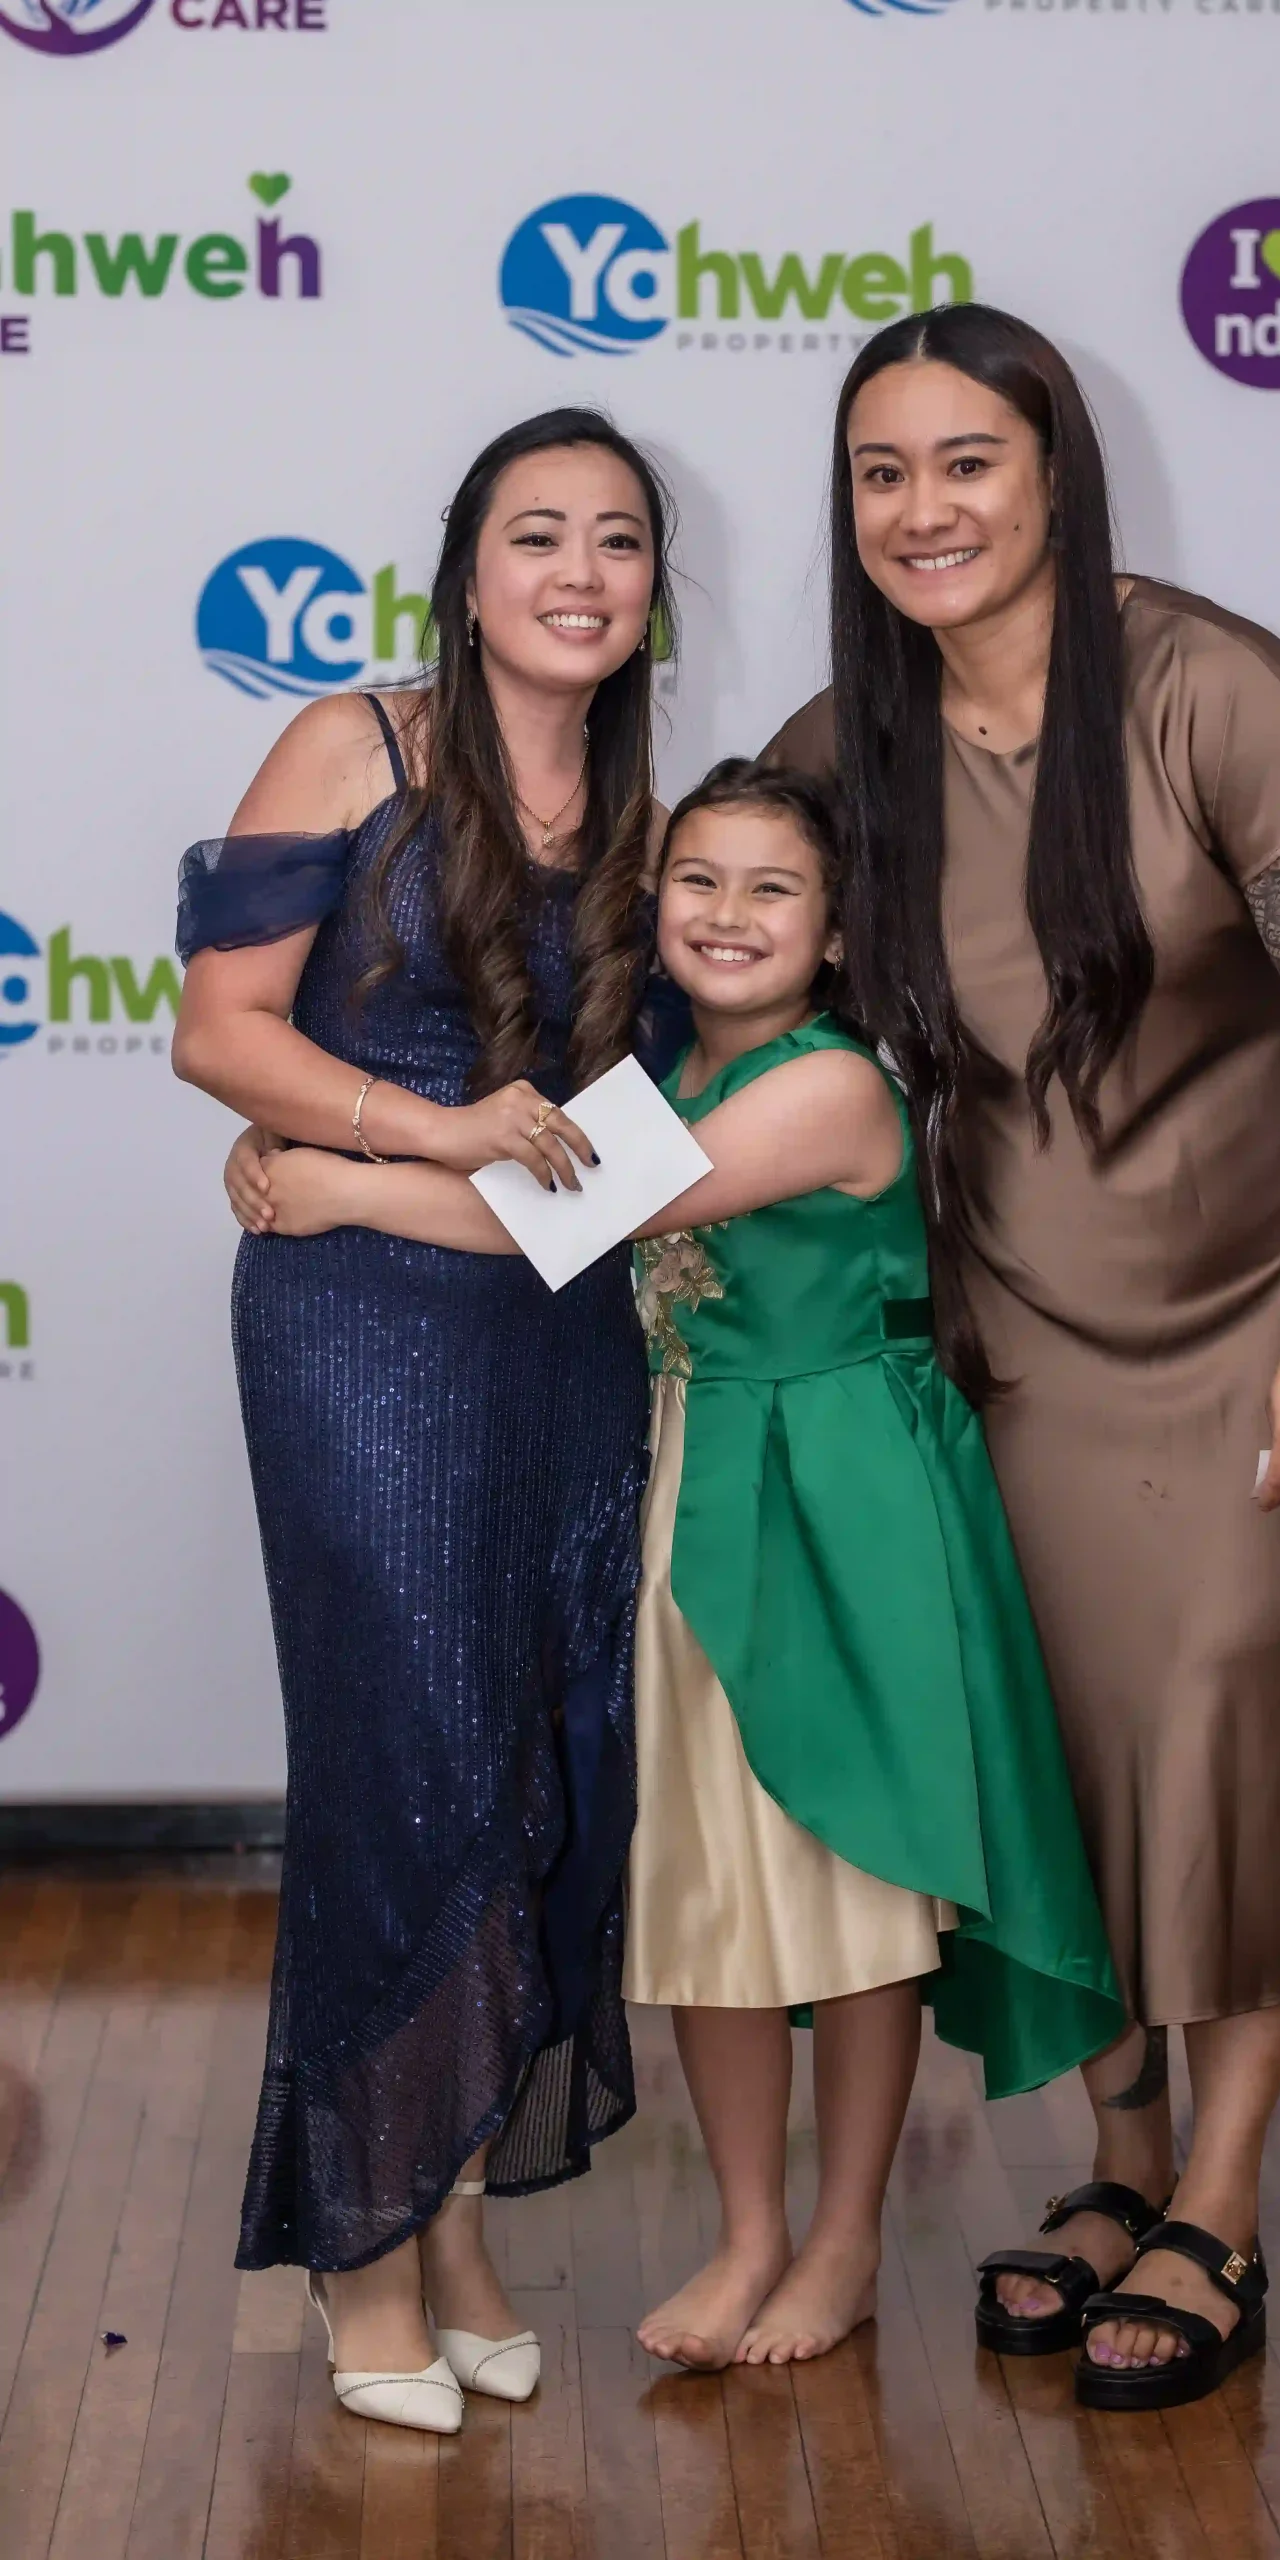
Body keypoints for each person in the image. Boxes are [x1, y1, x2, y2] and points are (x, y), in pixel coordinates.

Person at [236, 755, 1126, 2376]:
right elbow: (527, 1165)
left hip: (835, 1503)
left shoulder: (824, 1086)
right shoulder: (649, 1069)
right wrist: (300, 1138)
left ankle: (842, 2241)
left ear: (837, 931)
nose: (726, 914)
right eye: (697, 880)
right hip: (693, 1483)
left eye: (774, 889)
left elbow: (555, 1220)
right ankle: (748, 2234)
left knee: (854, 1878)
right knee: (715, 1882)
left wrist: (332, 1183)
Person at [766, 304, 1280, 2412]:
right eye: (881, 471)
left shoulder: (1212, 685)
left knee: (1230, 1732)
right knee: (1062, 1751)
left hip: (1267, 1303)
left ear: (1053, 472)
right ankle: (1119, 2160)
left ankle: (1219, 2196)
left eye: (967, 461)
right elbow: (721, 1000)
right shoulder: (841, 739)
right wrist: (389, 1145)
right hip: (1016, 1319)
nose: (923, 509)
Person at [176, 407, 679, 2435]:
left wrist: (363, 1174)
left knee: (532, 1764)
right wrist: (411, 1130)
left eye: (618, 540)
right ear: (466, 574)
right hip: (360, 1338)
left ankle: (456, 2212)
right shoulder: (351, 747)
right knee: (401, 1759)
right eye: (536, 534)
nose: (578, 572)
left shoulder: (653, 820)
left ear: (653, 588)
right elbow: (220, 1029)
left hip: (561, 1334)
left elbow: (628, 1165)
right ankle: (361, 2244)